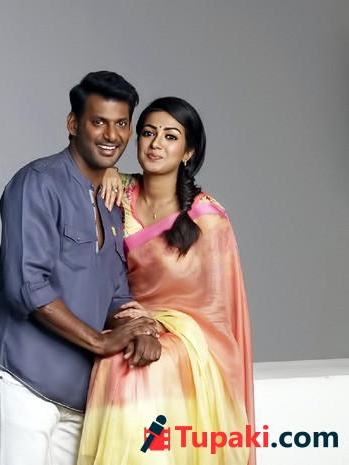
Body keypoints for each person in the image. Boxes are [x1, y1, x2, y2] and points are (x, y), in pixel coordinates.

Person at [0, 71, 161, 465]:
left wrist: (139, 328)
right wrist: (101, 342)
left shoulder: (111, 202)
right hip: (24, 378)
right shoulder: (37, 183)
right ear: (74, 124)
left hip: (81, 394)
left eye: (121, 124)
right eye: (99, 122)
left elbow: (115, 292)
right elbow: (27, 286)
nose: (111, 135)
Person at [77, 97, 255, 465]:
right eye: (148, 133)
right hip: (127, 319)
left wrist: (160, 326)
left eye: (170, 136)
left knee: (146, 364)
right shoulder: (116, 192)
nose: (156, 144)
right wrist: (106, 171)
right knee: (117, 356)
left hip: (192, 337)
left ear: (188, 152)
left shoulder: (207, 218)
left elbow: (217, 308)